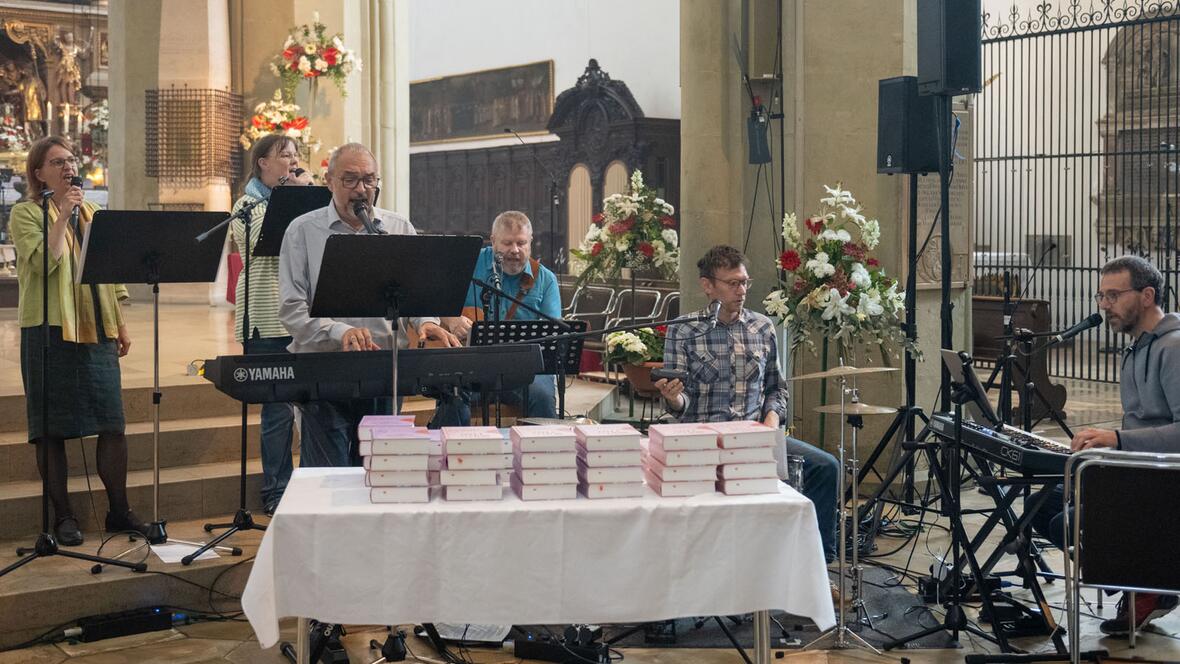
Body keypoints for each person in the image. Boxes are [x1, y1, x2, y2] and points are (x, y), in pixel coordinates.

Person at [654, 245, 842, 603]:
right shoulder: (684, 330)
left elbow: (777, 389)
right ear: (708, 286)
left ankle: (818, 570)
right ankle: (687, 581)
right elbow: (682, 405)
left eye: (744, 282)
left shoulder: (762, 327)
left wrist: (771, 422)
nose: (741, 291)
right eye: (732, 283)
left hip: (754, 437)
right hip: (702, 440)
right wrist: (673, 397)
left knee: (825, 467)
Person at [278, 143, 459, 466]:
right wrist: (338, 331)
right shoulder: (301, 231)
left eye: (369, 180)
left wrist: (425, 322)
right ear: (329, 180)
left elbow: (413, 292)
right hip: (324, 369)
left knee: (379, 472)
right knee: (327, 475)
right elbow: (292, 308)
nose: (361, 189)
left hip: (384, 369)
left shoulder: (398, 228)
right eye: (350, 180)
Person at [1031, 255, 1180, 636]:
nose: (1103, 305)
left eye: (1114, 295)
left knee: (1064, 519)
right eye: (1101, 295)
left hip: (1163, 482)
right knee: (1041, 503)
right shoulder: (1135, 348)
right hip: (1134, 472)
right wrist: (1103, 442)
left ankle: (1149, 583)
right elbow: (1143, 421)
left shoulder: (1173, 348)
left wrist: (1116, 440)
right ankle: (1138, 579)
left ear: (1147, 296)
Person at [10, 136, 145, 545]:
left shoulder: (93, 212)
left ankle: (119, 510)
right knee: (50, 430)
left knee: (112, 423)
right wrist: (61, 215)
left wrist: (119, 324)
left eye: (71, 160)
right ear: (39, 172)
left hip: (95, 328)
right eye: (57, 162)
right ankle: (63, 517)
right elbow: (42, 261)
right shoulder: (25, 212)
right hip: (48, 330)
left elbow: (110, 272)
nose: (69, 167)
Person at [232, 134, 313, 515]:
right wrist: (296, 199)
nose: (292, 162)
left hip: (304, 319)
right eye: (284, 156)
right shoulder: (246, 206)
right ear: (262, 162)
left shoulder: (298, 200)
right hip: (266, 320)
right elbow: (269, 242)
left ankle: (312, 481)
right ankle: (276, 489)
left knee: (315, 406)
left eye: (295, 155)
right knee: (277, 411)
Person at [435, 211, 561, 425]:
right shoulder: (467, 265)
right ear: (493, 241)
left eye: (521, 243)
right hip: (471, 365)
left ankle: (540, 455)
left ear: (531, 242)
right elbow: (434, 302)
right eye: (507, 243)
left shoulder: (545, 279)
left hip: (524, 369)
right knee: (451, 394)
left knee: (541, 396)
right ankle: (455, 453)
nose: (515, 250)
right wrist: (451, 319)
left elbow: (553, 332)